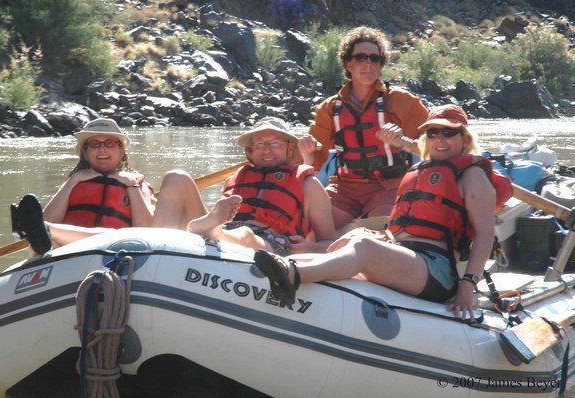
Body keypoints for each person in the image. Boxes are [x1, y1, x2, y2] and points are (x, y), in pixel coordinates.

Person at [254, 104, 513, 319]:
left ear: (463, 138)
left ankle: (290, 275)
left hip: (436, 269)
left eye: (448, 132)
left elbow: (485, 235)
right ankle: (275, 269)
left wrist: (467, 285)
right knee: (349, 239)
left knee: (364, 247)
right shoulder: (418, 171)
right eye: (432, 133)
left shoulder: (472, 174)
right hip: (404, 254)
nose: (439, 139)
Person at [299, 26, 429, 233]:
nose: (368, 63)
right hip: (344, 188)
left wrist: (403, 141)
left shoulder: (401, 101)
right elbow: (312, 162)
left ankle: (349, 234)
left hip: (388, 186)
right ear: (348, 63)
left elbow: (436, 147)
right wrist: (306, 152)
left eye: (374, 58)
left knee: (382, 229)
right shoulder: (330, 108)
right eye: (361, 57)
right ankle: (341, 237)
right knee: (312, 227)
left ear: (381, 64)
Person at [188, 116, 336, 255]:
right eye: (260, 144)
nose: (267, 150)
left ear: (290, 149)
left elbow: (328, 243)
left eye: (275, 143)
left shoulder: (309, 184)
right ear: (251, 151)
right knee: (176, 178)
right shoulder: (236, 178)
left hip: (276, 243)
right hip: (228, 229)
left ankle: (211, 232)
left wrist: (312, 248)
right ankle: (171, 247)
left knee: (246, 234)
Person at [12, 118, 155, 255]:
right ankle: (46, 237)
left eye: (109, 143)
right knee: (46, 246)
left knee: (112, 234)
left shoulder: (136, 184)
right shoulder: (75, 181)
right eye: (94, 144)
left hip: (114, 248)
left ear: (121, 150)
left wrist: (131, 185)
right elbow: (45, 222)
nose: (102, 150)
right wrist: (72, 181)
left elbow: (146, 233)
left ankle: (42, 231)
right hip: (70, 249)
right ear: (85, 152)